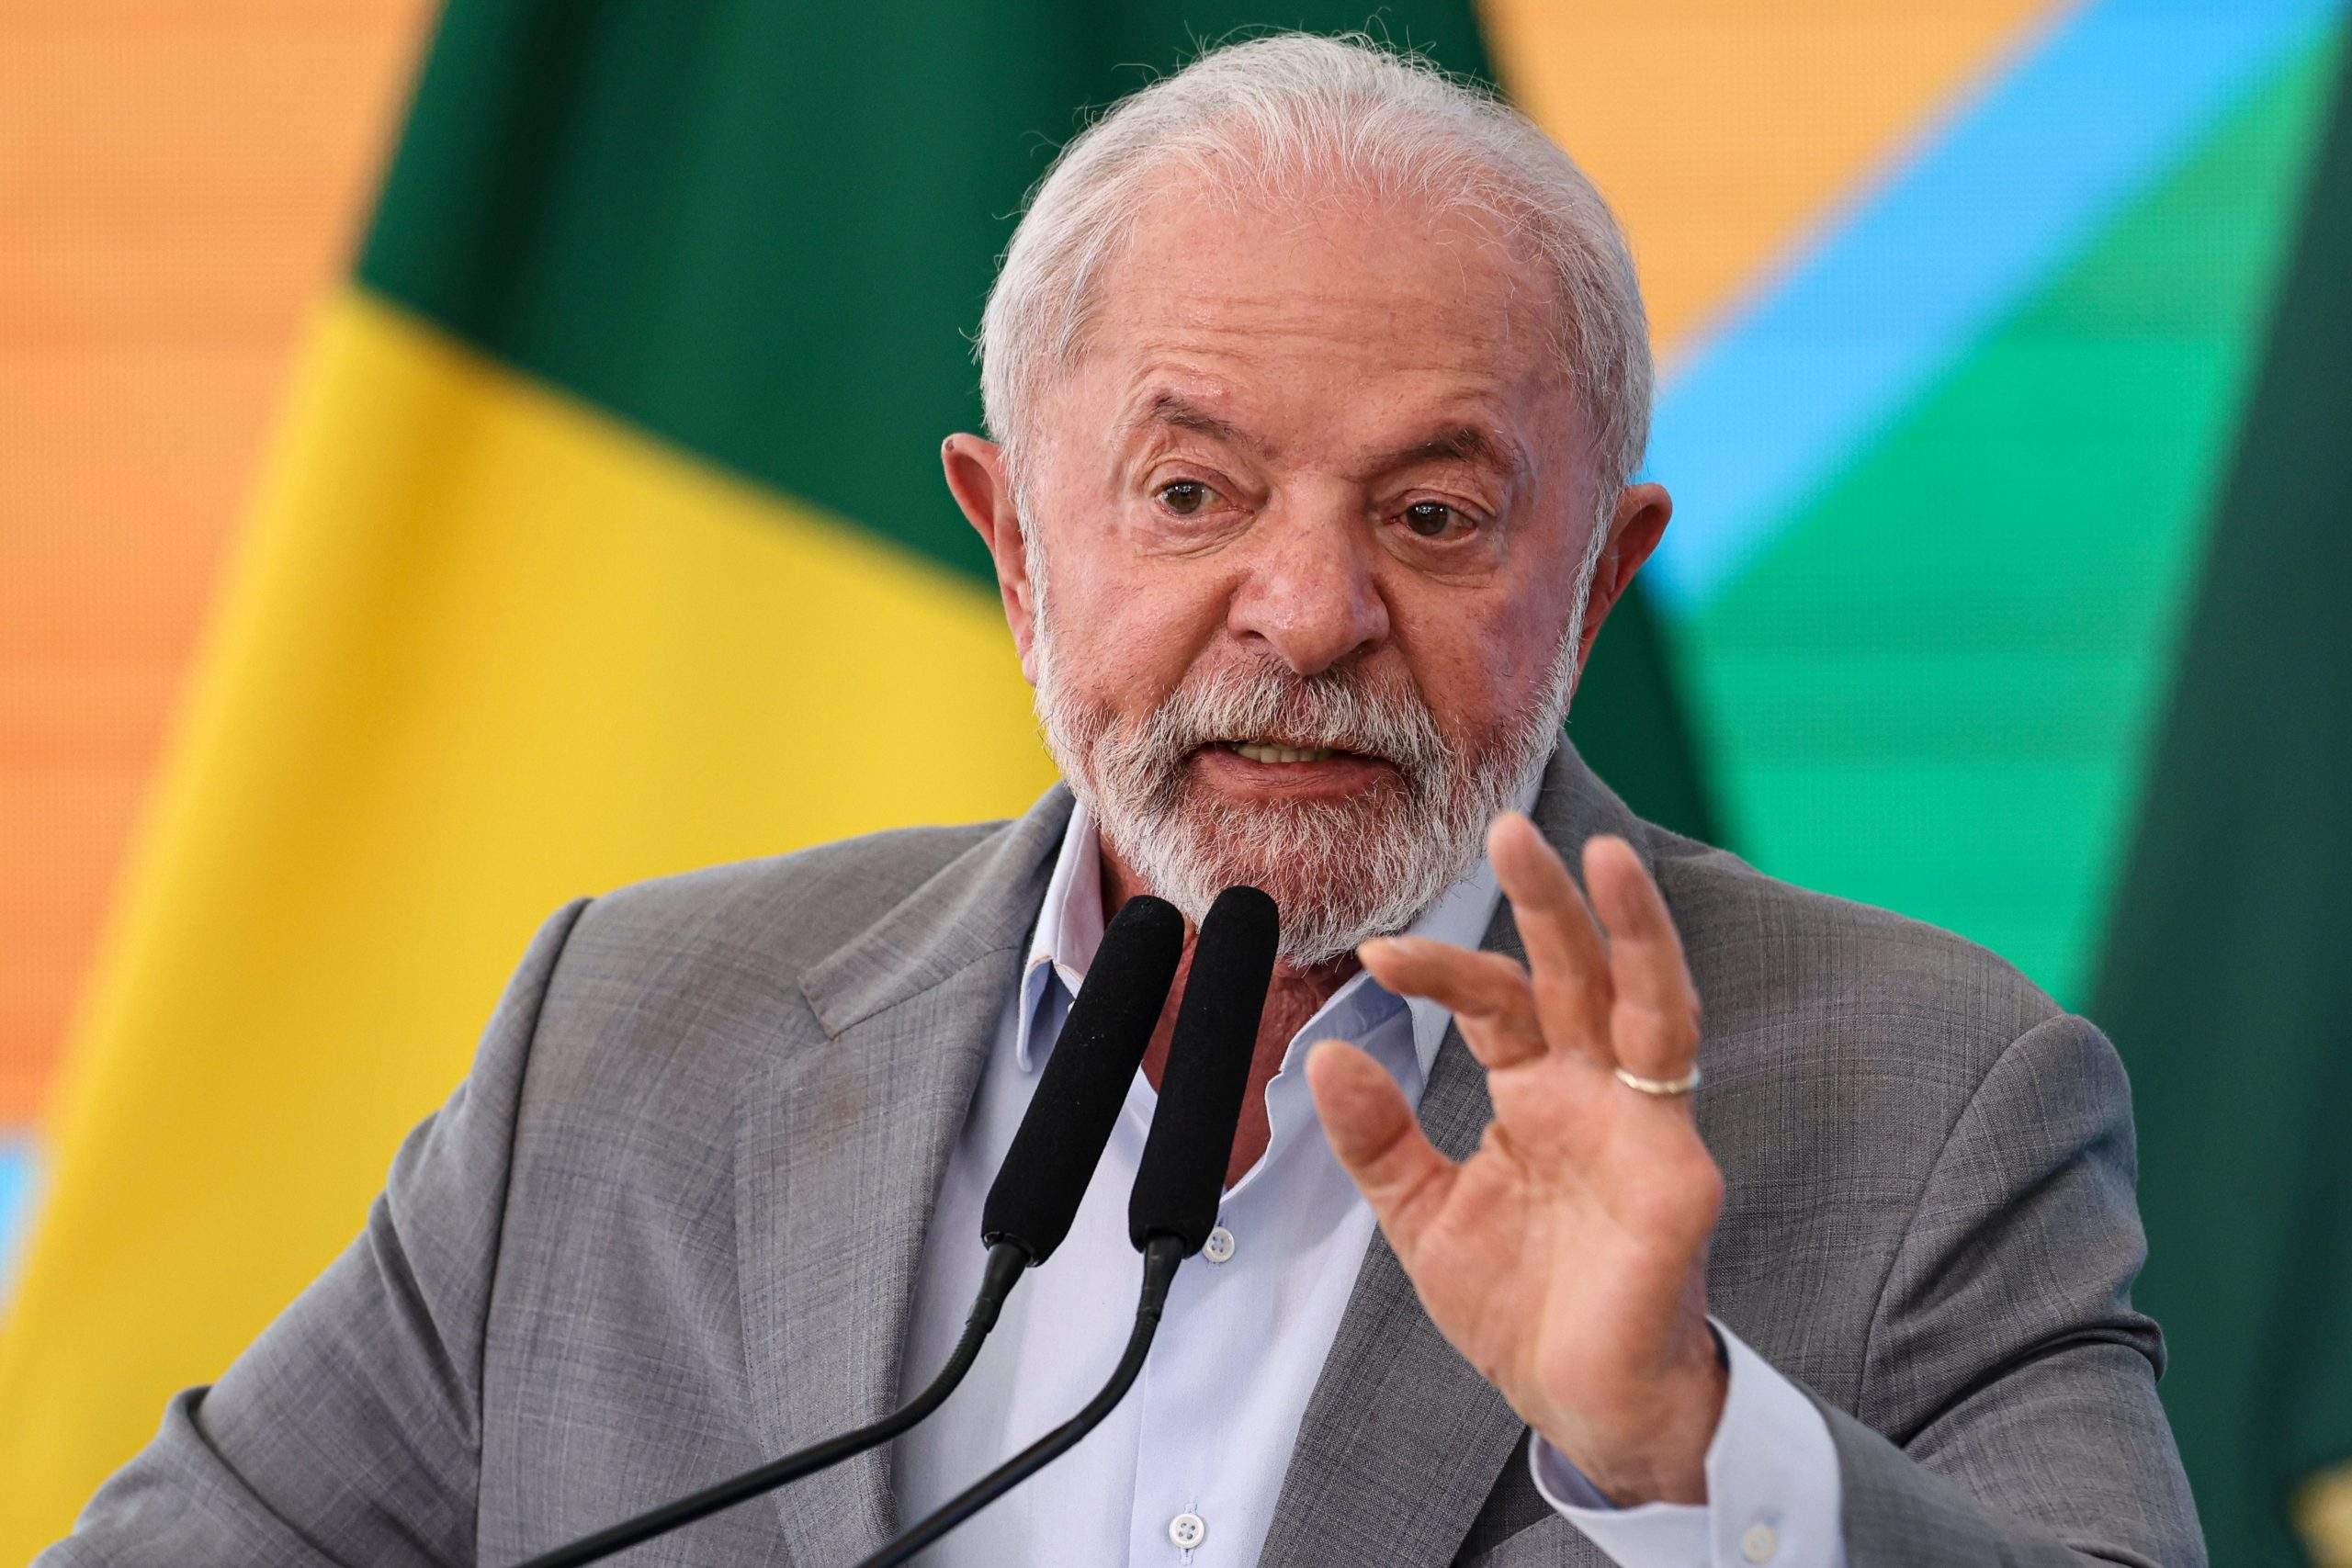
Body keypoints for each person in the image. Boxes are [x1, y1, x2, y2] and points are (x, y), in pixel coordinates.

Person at [40, 31, 2200, 1568]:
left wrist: (1689, 1446)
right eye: (1190, 491)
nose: (1308, 610)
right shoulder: (630, 1038)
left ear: (1597, 575)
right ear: (1012, 548)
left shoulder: (1929, 1097)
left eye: (1433, 513)